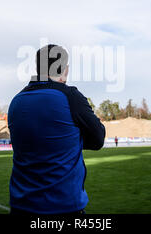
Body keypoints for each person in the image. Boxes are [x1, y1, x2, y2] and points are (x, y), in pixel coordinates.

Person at [8, 44, 106, 215]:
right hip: (63, 207)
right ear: (65, 70)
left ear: (38, 68)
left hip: (20, 206)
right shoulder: (70, 96)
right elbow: (98, 139)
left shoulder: (16, 101)